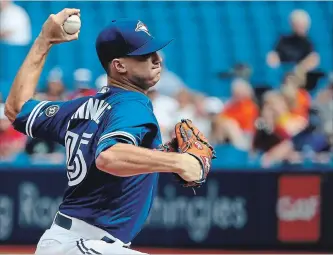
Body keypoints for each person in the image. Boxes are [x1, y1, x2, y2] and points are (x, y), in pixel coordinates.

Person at [4, 9, 212, 255]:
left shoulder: (80, 107)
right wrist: (179, 161)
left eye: (155, 51)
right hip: (83, 243)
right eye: (145, 54)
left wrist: (44, 41)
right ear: (119, 65)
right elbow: (109, 157)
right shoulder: (132, 105)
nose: (157, 59)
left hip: (70, 242)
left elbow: (17, 109)